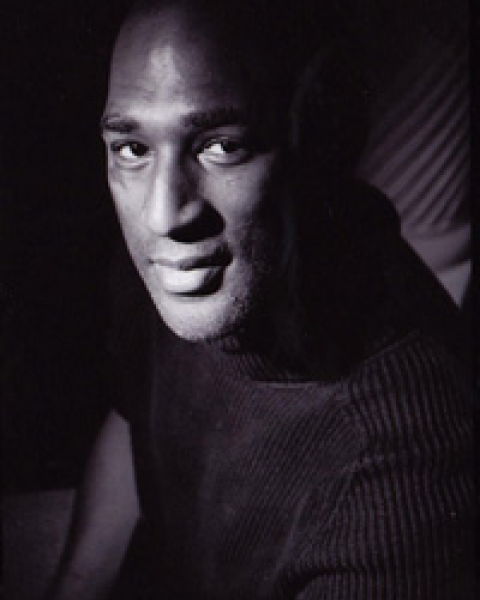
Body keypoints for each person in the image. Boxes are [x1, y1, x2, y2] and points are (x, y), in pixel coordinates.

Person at [46, 1, 475, 598]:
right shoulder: (183, 254)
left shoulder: (405, 474)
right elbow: (133, 412)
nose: (163, 215)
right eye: (133, 148)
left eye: (222, 145)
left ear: (319, 138)